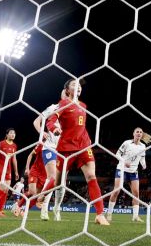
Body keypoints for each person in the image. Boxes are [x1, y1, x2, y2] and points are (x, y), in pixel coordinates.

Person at [46, 78, 109, 226]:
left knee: (91, 176)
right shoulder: (63, 104)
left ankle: (100, 214)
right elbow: (50, 120)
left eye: (80, 85)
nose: (79, 87)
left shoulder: (83, 105)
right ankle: (34, 200)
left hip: (83, 145)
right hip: (66, 148)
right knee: (57, 183)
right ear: (67, 90)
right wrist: (55, 129)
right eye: (74, 85)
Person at [107, 128, 151, 222]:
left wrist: (144, 165)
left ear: (142, 135)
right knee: (116, 191)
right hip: (122, 169)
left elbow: (142, 158)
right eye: (137, 132)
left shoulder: (143, 146)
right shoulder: (127, 143)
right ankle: (109, 213)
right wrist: (124, 161)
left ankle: (135, 216)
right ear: (133, 134)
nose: (139, 133)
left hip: (133, 171)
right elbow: (117, 154)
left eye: (140, 132)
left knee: (136, 193)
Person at [33, 102, 63, 221]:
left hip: (64, 150)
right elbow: (36, 121)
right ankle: (44, 208)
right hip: (50, 147)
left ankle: (57, 208)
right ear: (65, 91)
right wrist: (42, 132)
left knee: (61, 183)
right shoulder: (53, 107)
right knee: (52, 178)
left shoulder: (75, 108)